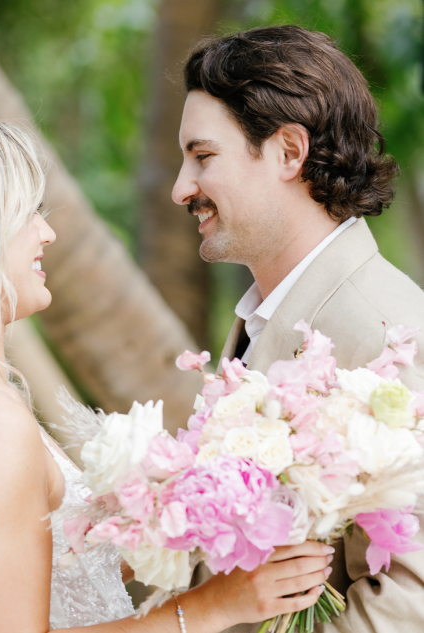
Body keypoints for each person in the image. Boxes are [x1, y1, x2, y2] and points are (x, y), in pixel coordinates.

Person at [0, 99, 331, 632]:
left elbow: (21, 573)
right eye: (26, 215)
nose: (46, 233)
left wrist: (198, 511)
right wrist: (211, 608)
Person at [172, 25, 424, 632]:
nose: (182, 188)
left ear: (289, 151)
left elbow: (409, 602)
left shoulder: (391, 334)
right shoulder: (265, 318)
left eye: (203, 157)